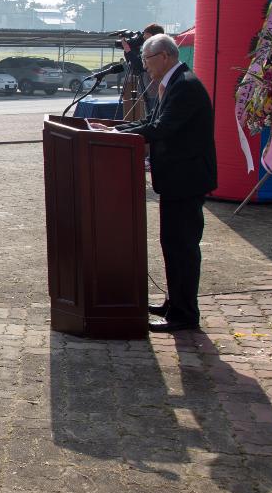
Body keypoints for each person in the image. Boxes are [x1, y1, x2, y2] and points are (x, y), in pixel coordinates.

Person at [90, 33, 216, 333]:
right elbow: (152, 122)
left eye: (147, 59)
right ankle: (175, 303)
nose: (144, 65)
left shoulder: (184, 86)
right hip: (176, 180)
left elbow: (161, 128)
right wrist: (115, 130)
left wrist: (116, 136)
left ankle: (185, 314)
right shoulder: (174, 82)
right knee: (172, 245)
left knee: (182, 247)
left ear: (165, 56)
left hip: (185, 180)